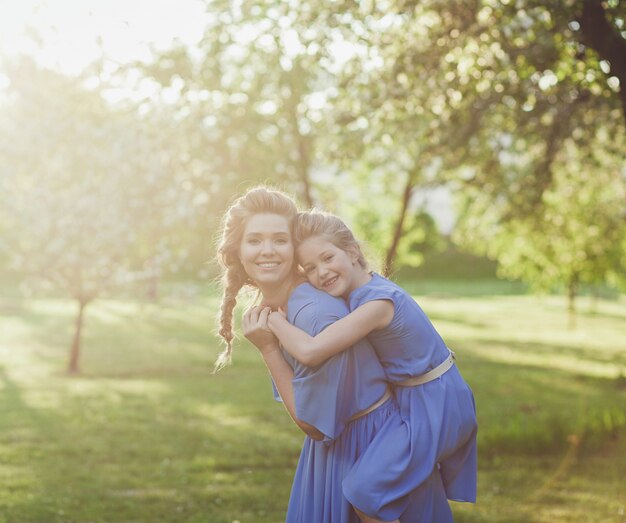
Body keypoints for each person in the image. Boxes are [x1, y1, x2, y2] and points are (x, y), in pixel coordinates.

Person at [215, 187, 452, 523]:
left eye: (279, 240)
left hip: (363, 447)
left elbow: (313, 425)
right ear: (237, 250)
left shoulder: (314, 313)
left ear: (293, 249)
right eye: (255, 240)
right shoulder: (286, 306)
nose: (267, 250)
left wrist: (269, 350)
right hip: (344, 447)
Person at [266, 210, 478, 517]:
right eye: (310, 268)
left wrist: (273, 323)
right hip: (412, 398)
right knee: (381, 490)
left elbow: (312, 351)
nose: (321, 272)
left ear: (353, 251)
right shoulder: (357, 295)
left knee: (364, 491)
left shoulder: (378, 303)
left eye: (327, 257)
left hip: (437, 403)